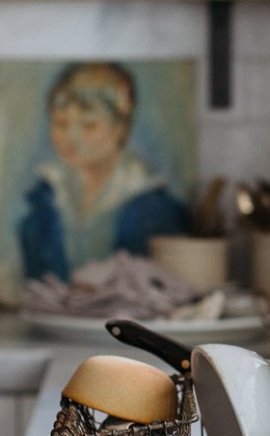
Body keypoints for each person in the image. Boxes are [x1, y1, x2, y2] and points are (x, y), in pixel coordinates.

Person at [18, 61, 191, 282]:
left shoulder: (155, 207)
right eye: (61, 123)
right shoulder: (43, 199)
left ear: (120, 128)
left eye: (88, 125)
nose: (71, 136)